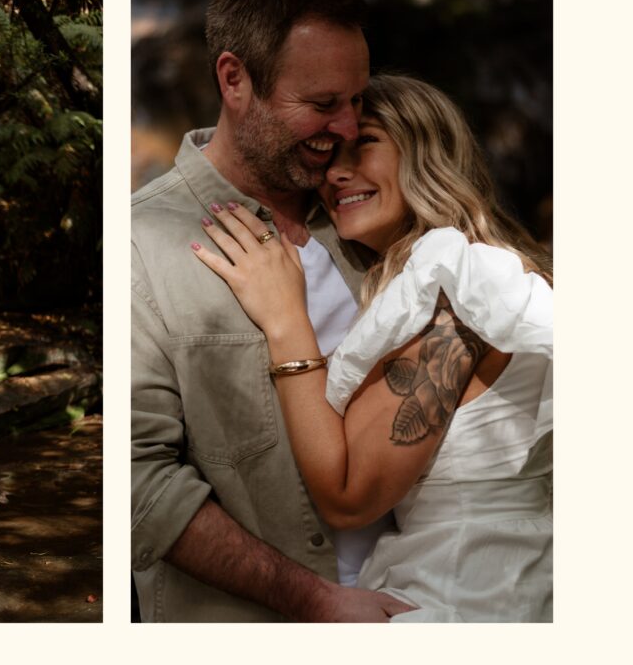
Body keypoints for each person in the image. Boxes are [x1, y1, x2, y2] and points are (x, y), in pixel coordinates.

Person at [193, 74, 553, 621]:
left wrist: (287, 320)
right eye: (330, 154)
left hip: (469, 587)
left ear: (429, 157)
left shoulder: (462, 296)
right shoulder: (432, 280)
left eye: (365, 145)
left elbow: (348, 495)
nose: (336, 172)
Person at [131, 0, 412, 621]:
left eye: (356, 101)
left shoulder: (373, 210)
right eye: (320, 105)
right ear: (235, 79)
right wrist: (317, 601)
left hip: (424, 600)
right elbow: (139, 487)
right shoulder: (139, 244)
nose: (344, 128)